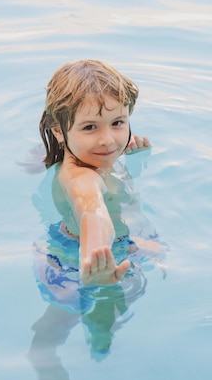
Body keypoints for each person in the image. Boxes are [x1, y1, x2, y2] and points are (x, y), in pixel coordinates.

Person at [38, 59, 155, 287]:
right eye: (90, 127)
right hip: (79, 260)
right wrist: (94, 257)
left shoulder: (94, 158)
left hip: (109, 250)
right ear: (58, 131)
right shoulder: (80, 177)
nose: (108, 140)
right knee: (101, 318)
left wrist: (134, 159)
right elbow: (91, 210)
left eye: (117, 122)